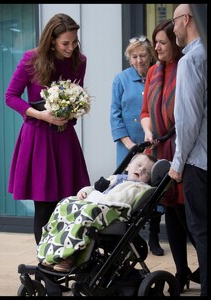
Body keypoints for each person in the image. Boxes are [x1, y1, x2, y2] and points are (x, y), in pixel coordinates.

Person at [5, 13, 90, 246]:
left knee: (68, 203)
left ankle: (63, 259)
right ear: (52, 40)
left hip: (65, 140)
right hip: (38, 139)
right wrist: (41, 115)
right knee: (44, 206)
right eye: (65, 43)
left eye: (74, 41)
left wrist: (73, 110)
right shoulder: (31, 59)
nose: (71, 47)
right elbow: (10, 97)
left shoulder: (79, 61)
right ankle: (46, 266)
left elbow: (78, 93)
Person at [140, 19, 200, 293]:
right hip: (161, 151)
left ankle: (202, 268)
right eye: (156, 42)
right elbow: (144, 112)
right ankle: (181, 270)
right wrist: (148, 130)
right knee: (172, 213)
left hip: (185, 150)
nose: (157, 47)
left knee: (190, 216)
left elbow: (189, 114)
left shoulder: (186, 66)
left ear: (175, 43)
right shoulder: (153, 71)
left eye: (162, 42)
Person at [37, 153, 157, 272]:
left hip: (112, 212)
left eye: (146, 172)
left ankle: (69, 256)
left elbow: (117, 200)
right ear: (128, 166)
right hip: (95, 204)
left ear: (148, 179)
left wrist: (92, 197)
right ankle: (51, 251)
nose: (141, 170)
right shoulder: (115, 179)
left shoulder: (138, 188)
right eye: (138, 165)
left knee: (86, 214)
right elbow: (94, 188)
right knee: (64, 204)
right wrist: (84, 192)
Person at [110, 36, 164, 256]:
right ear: (129, 58)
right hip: (128, 145)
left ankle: (153, 236)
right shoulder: (121, 79)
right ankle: (132, 236)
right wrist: (130, 144)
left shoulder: (157, 74)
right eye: (135, 57)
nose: (140, 60)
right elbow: (115, 116)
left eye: (143, 55)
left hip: (154, 142)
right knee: (130, 187)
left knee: (155, 187)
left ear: (149, 55)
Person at [168, 4, 207, 296]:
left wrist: (178, 164)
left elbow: (188, 120)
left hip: (199, 163)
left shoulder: (191, 60)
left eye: (174, 22)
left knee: (203, 233)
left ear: (186, 19)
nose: (173, 29)